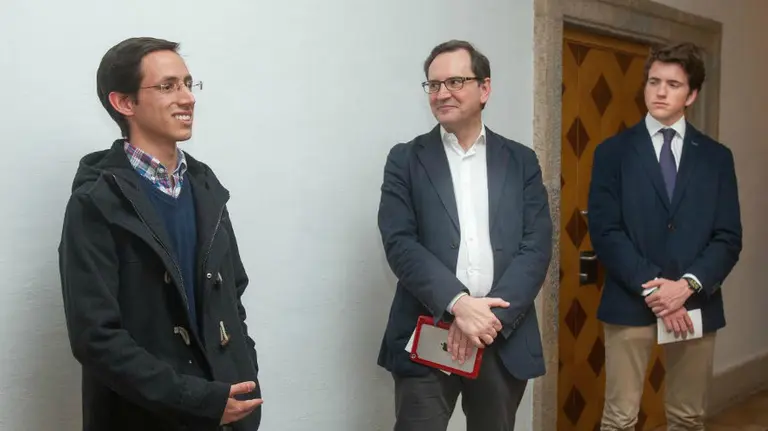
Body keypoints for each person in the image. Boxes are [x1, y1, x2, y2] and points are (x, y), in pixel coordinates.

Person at [58, 37, 263, 431]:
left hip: (227, 413)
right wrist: (196, 400)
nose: (187, 98)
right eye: (168, 86)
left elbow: (231, 298)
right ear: (124, 103)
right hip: (144, 417)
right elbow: (95, 337)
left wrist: (243, 371)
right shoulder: (95, 202)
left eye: (188, 83)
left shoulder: (205, 187)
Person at [376, 39, 552, 431]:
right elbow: (400, 243)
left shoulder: (521, 161)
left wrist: (485, 319)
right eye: (433, 84)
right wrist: (458, 304)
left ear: (484, 88)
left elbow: (536, 246)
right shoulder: (405, 160)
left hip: (500, 335)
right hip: (428, 332)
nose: (442, 93)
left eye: (455, 81)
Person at [588, 42, 742, 431]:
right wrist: (657, 290)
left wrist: (686, 286)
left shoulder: (716, 158)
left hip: (695, 301)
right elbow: (606, 231)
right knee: (619, 419)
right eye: (654, 82)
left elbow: (727, 237)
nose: (660, 92)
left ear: (691, 95)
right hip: (631, 299)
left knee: (688, 418)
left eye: (673, 85)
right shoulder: (612, 153)